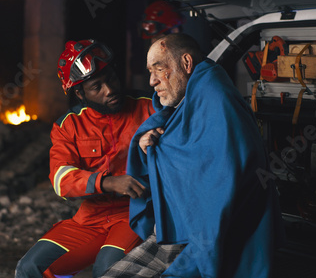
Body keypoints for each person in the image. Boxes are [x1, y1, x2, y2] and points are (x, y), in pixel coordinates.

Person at [102, 33, 285, 277]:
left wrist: (184, 268)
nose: (152, 82)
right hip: (178, 232)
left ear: (186, 64)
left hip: (205, 241)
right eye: (150, 71)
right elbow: (187, 156)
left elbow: (220, 201)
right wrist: (150, 148)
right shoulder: (192, 98)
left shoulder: (216, 99)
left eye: (158, 69)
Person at [15, 39, 155, 278]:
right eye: (96, 87)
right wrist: (108, 182)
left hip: (135, 213)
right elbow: (61, 179)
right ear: (80, 93)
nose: (109, 90)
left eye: (110, 78)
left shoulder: (150, 106)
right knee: (30, 269)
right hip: (90, 218)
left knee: (107, 269)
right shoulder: (68, 126)